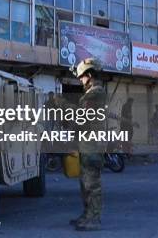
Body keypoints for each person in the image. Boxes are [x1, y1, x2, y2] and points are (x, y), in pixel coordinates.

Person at [55, 58, 107, 231]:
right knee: (85, 184)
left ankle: (94, 219)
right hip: (87, 145)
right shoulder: (91, 93)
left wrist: (62, 103)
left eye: (82, 77)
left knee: (92, 184)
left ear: (90, 75)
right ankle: (87, 215)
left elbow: (81, 117)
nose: (80, 80)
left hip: (92, 147)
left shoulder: (95, 93)